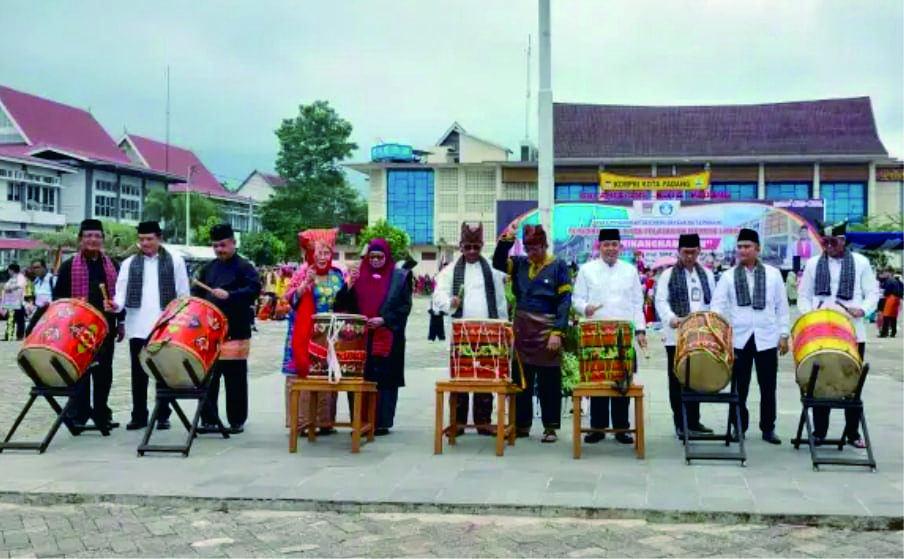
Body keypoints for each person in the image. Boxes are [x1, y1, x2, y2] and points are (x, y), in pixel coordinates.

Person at [797, 221, 880, 448]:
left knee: (852, 381)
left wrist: (862, 309)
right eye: (825, 242)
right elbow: (803, 296)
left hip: (852, 332)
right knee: (821, 382)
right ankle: (820, 432)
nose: (829, 246)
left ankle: (852, 433)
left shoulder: (861, 262)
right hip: (821, 332)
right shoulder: (814, 264)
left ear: (843, 241)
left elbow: (873, 292)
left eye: (833, 242)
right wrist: (810, 314)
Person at [493, 223, 571, 443]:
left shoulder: (559, 266)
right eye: (527, 248)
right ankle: (522, 424)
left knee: (549, 380)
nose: (531, 252)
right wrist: (508, 238)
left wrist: (558, 332)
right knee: (521, 381)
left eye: (535, 248)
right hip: (522, 329)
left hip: (548, 329)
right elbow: (497, 262)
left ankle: (550, 427)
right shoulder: (518, 264)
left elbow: (565, 301)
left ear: (544, 245)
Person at [712, 228, 789, 445]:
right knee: (739, 386)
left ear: (758, 249)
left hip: (766, 337)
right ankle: (739, 426)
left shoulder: (774, 275)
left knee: (768, 386)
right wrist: (722, 333)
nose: (743, 251)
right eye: (740, 247)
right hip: (739, 339)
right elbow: (717, 306)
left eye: (747, 247)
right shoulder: (727, 277)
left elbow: (781, 307)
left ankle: (768, 428)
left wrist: (784, 334)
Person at [111, 221, 190, 431]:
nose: (145, 243)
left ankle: (163, 414)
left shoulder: (175, 260)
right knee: (138, 373)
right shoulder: (129, 263)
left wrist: (179, 322)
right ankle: (139, 415)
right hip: (137, 324)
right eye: (141, 239)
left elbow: (183, 294)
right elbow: (120, 292)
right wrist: (115, 305)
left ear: (159, 238)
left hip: (165, 325)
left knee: (164, 371)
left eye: (149, 239)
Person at [433, 223, 508, 436]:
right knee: (461, 378)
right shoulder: (449, 272)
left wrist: (503, 328)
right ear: (461, 247)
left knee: (485, 377)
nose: (472, 251)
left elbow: (501, 302)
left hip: (489, 332)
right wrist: (451, 302)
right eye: (468, 247)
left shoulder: (493, 271)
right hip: (461, 333)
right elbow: (438, 298)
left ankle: (483, 422)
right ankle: (457, 424)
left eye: (476, 247)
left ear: (482, 246)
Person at [573, 229, 646, 445]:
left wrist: (640, 330)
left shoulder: (630, 271)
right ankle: (597, 427)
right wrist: (585, 308)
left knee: (622, 380)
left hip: (623, 335)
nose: (611, 248)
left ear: (620, 247)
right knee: (598, 381)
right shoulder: (587, 270)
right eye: (607, 244)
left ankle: (621, 428)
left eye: (615, 244)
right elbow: (577, 298)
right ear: (599, 247)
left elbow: (636, 303)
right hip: (596, 335)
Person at [53, 219, 126, 430]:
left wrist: (121, 321)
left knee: (104, 372)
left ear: (102, 240)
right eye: (88, 236)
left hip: (105, 328)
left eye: (97, 236)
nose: (93, 240)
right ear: (80, 240)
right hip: (77, 329)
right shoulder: (69, 267)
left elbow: (121, 297)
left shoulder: (113, 266)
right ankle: (79, 412)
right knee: (79, 371)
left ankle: (102, 412)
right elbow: (59, 298)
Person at [334, 239, 412, 435]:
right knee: (360, 378)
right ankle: (360, 419)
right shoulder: (358, 275)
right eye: (373, 256)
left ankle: (381, 422)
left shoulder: (399, 277)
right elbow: (342, 305)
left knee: (384, 380)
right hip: (360, 337)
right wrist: (349, 284)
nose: (376, 260)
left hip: (387, 337)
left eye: (380, 256)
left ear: (387, 256)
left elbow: (404, 307)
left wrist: (384, 320)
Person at [194, 223, 261, 434]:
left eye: (223, 245)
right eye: (215, 246)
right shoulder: (208, 268)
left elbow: (254, 289)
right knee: (209, 380)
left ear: (233, 243)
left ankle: (237, 419)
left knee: (235, 379)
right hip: (210, 332)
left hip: (235, 330)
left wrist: (231, 295)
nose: (219, 250)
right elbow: (196, 292)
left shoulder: (245, 267)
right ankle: (209, 419)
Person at [282, 228, 345, 435]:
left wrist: (352, 282)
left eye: (326, 253)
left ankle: (324, 421)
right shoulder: (302, 272)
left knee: (327, 372)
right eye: (318, 253)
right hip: (304, 332)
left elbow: (345, 300)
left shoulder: (337, 274)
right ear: (311, 254)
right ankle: (300, 423)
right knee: (303, 373)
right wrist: (305, 285)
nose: (322, 257)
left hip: (329, 334)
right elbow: (289, 298)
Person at [653, 233, 717, 438]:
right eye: (685, 252)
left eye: (693, 252)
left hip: (700, 336)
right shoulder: (668, 275)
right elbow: (660, 301)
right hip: (676, 335)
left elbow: (713, 301)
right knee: (678, 378)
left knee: (696, 378)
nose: (689, 256)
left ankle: (694, 421)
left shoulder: (706, 274)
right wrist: (670, 318)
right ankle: (680, 422)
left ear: (699, 251)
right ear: (678, 252)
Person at [2, 263, 27, 340]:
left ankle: (20, 335)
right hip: (11, 303)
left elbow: (20, 285)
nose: (9, 272)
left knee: (20, 320)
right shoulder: (11, 278)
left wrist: (10, 288)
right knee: (10, 319)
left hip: (19, 302)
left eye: (9, 270)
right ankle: (9, 335)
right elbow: (5, 286)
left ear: (12, 270)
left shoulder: (21, 277)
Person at [880, 273, 902, 338]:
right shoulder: (896, 281)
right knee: (893, 317)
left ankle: (884, 332)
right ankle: (893, 332)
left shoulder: (888, 281)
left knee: (886, 316)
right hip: (897, 298)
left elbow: (887, 291)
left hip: (890, 298)